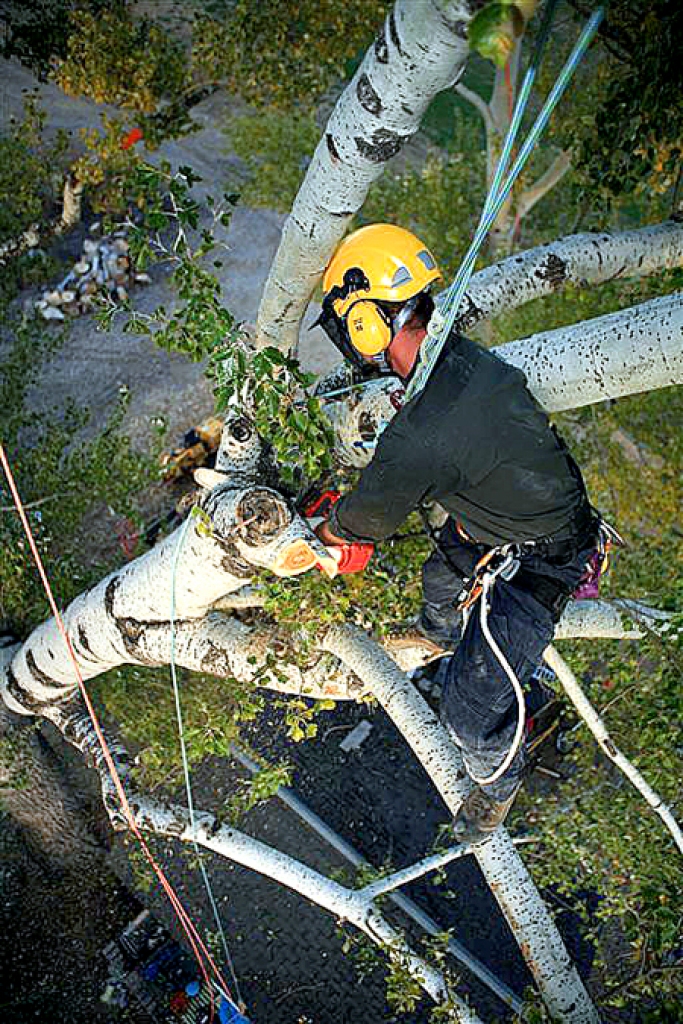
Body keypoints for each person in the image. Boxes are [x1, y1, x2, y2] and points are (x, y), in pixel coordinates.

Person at [315, 223, 599, 844]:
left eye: (346, 329)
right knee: (439, 582)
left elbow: (362, 523)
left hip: (546, 559)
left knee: (466, 716)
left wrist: (328, 527)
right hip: (501, 515)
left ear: (365, 323)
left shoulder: (422, 433)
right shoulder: (456, 359)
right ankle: (440, 635)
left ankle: (498, 788)